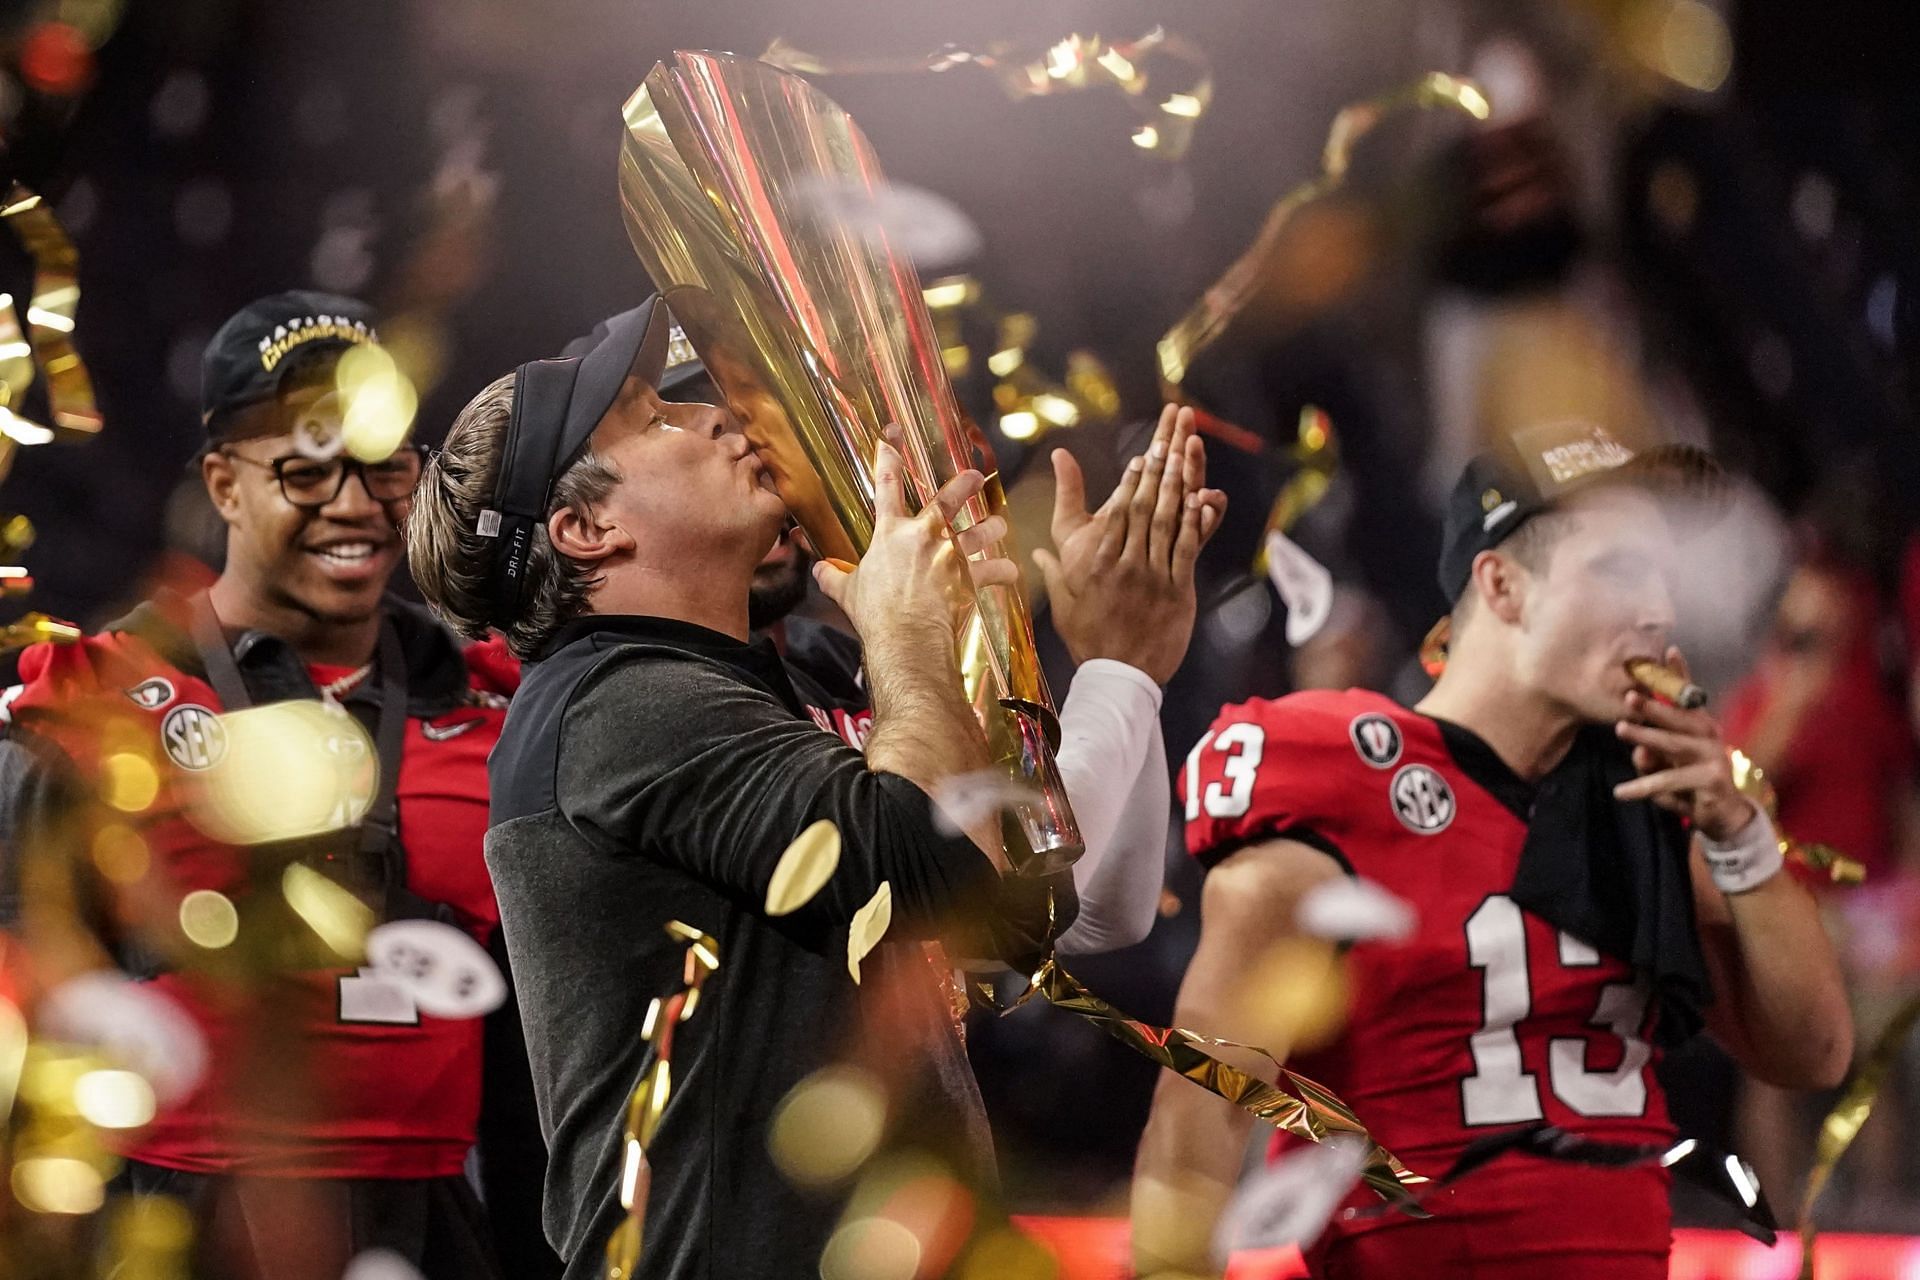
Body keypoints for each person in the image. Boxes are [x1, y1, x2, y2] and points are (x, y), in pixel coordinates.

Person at [404, 295, 1219, 1278]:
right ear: (584, 527)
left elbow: (1053, 901)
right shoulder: (616, 703)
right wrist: (918, 642)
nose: (713, 416)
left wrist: (1106, 667)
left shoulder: (725, 689)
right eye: (654, 418)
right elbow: (927, 861)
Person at [1132, 423, 1853, 1279]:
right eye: (1619, 569)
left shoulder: (1642, 804)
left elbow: (1813, 1054)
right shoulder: (1344, 777)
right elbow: (1197, 1129)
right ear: (1503, 584)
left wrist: (1739, 834)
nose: (1660, 610)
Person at [0, 292, 553, 1280]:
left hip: (432, 1214)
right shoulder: (98, 695)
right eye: (305, 466)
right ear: (223, 483)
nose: (353, 503)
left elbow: (536, 1041)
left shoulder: (496, 700)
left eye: (385, 465)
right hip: (170, 1210)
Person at [627, 329, 1227, 956]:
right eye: (711, 430)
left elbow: (1095, 912)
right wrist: (1119, 666)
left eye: (765, 417)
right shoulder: (675, 707)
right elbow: (962, 896)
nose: (753, 449)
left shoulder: (830, 659)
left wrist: (1129, 667)